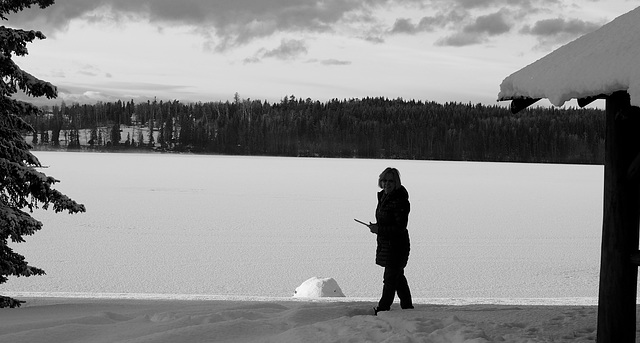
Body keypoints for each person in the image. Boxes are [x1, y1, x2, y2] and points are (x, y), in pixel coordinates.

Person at [367, 167, 413, 314]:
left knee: (390, 279)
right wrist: (377, 227)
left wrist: (379, 229)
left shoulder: (400, 201)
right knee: (398, 277)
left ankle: (382, 309)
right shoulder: (384, 197)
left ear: (397, 182)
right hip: (386, 244)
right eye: (384, 180)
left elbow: (400, 228)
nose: (387, 183)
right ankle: (407, 307)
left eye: (391, 181)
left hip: (397, 246)